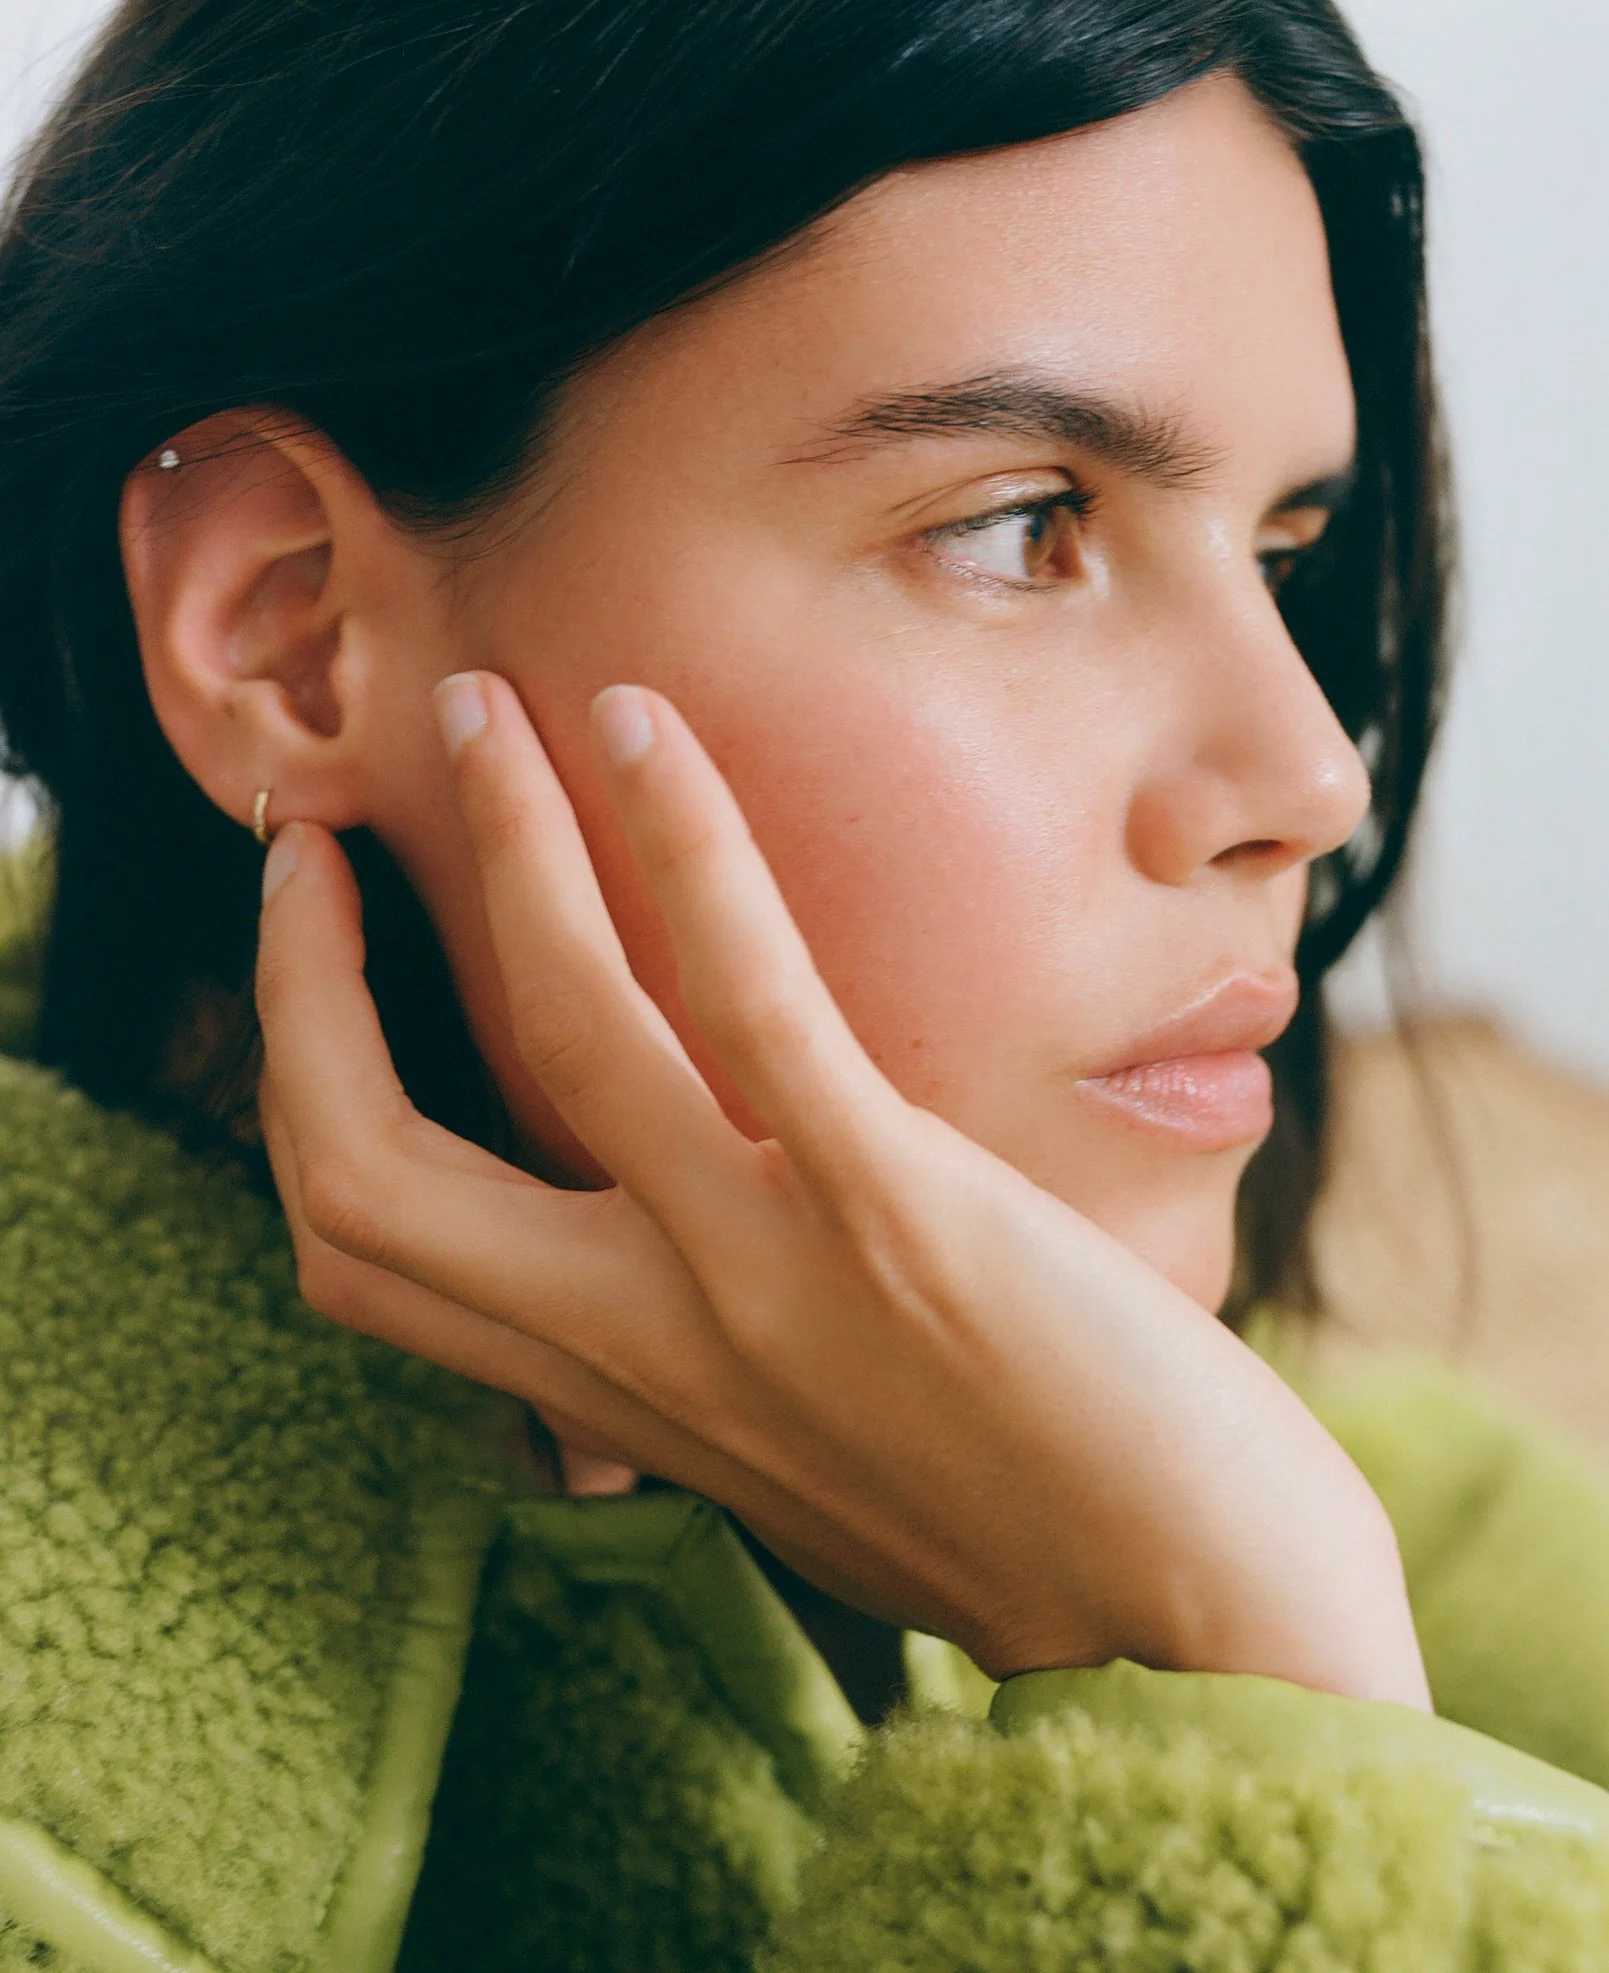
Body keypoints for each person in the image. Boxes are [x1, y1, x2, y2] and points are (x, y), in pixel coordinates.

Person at [0, 0, 1604, 1966]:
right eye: (1025, 526)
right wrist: (1223, 1679)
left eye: (1281, 549)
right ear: (291, 628)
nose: (1308, 773)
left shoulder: (1311, 1452)